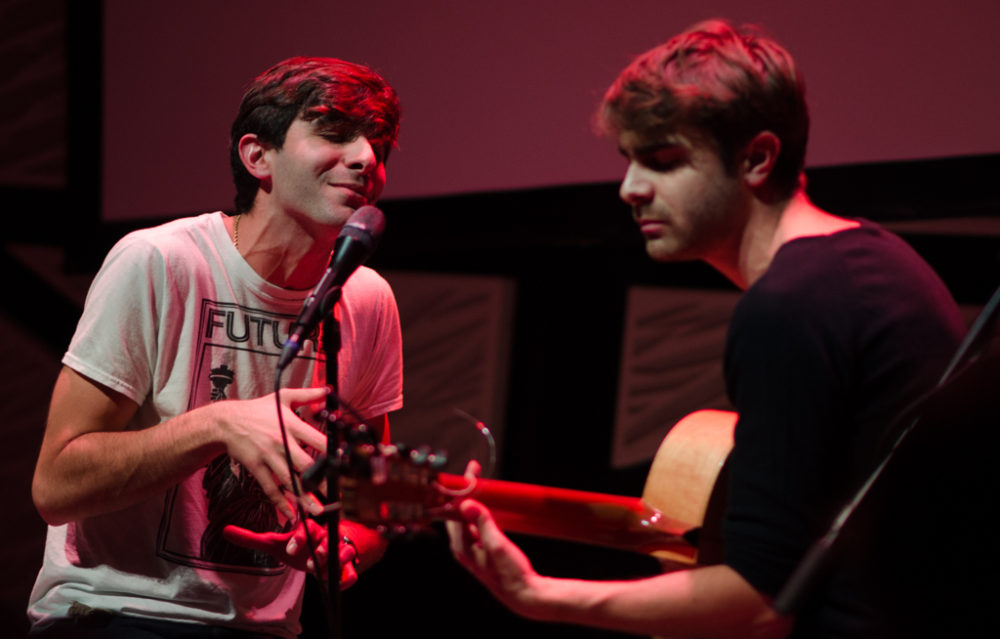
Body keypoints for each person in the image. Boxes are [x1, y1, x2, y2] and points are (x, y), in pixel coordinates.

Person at [446, 19, 967, 638]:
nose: (630, 189)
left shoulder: (790, 305)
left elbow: (759, 602)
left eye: (664, 161)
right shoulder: (875, 263)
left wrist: (537, 595)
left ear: (756, 158)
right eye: (629, 160)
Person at [28, 56, 404, 638]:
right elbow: (55, 486)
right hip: (116, 612)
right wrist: (218, 425)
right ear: (258, 156)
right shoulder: (159, 260)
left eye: (378, 144)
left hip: (264, 629)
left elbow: (367, 506)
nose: (366, 159)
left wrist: (341, 542)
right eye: (335, 134)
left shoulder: (369, 299)